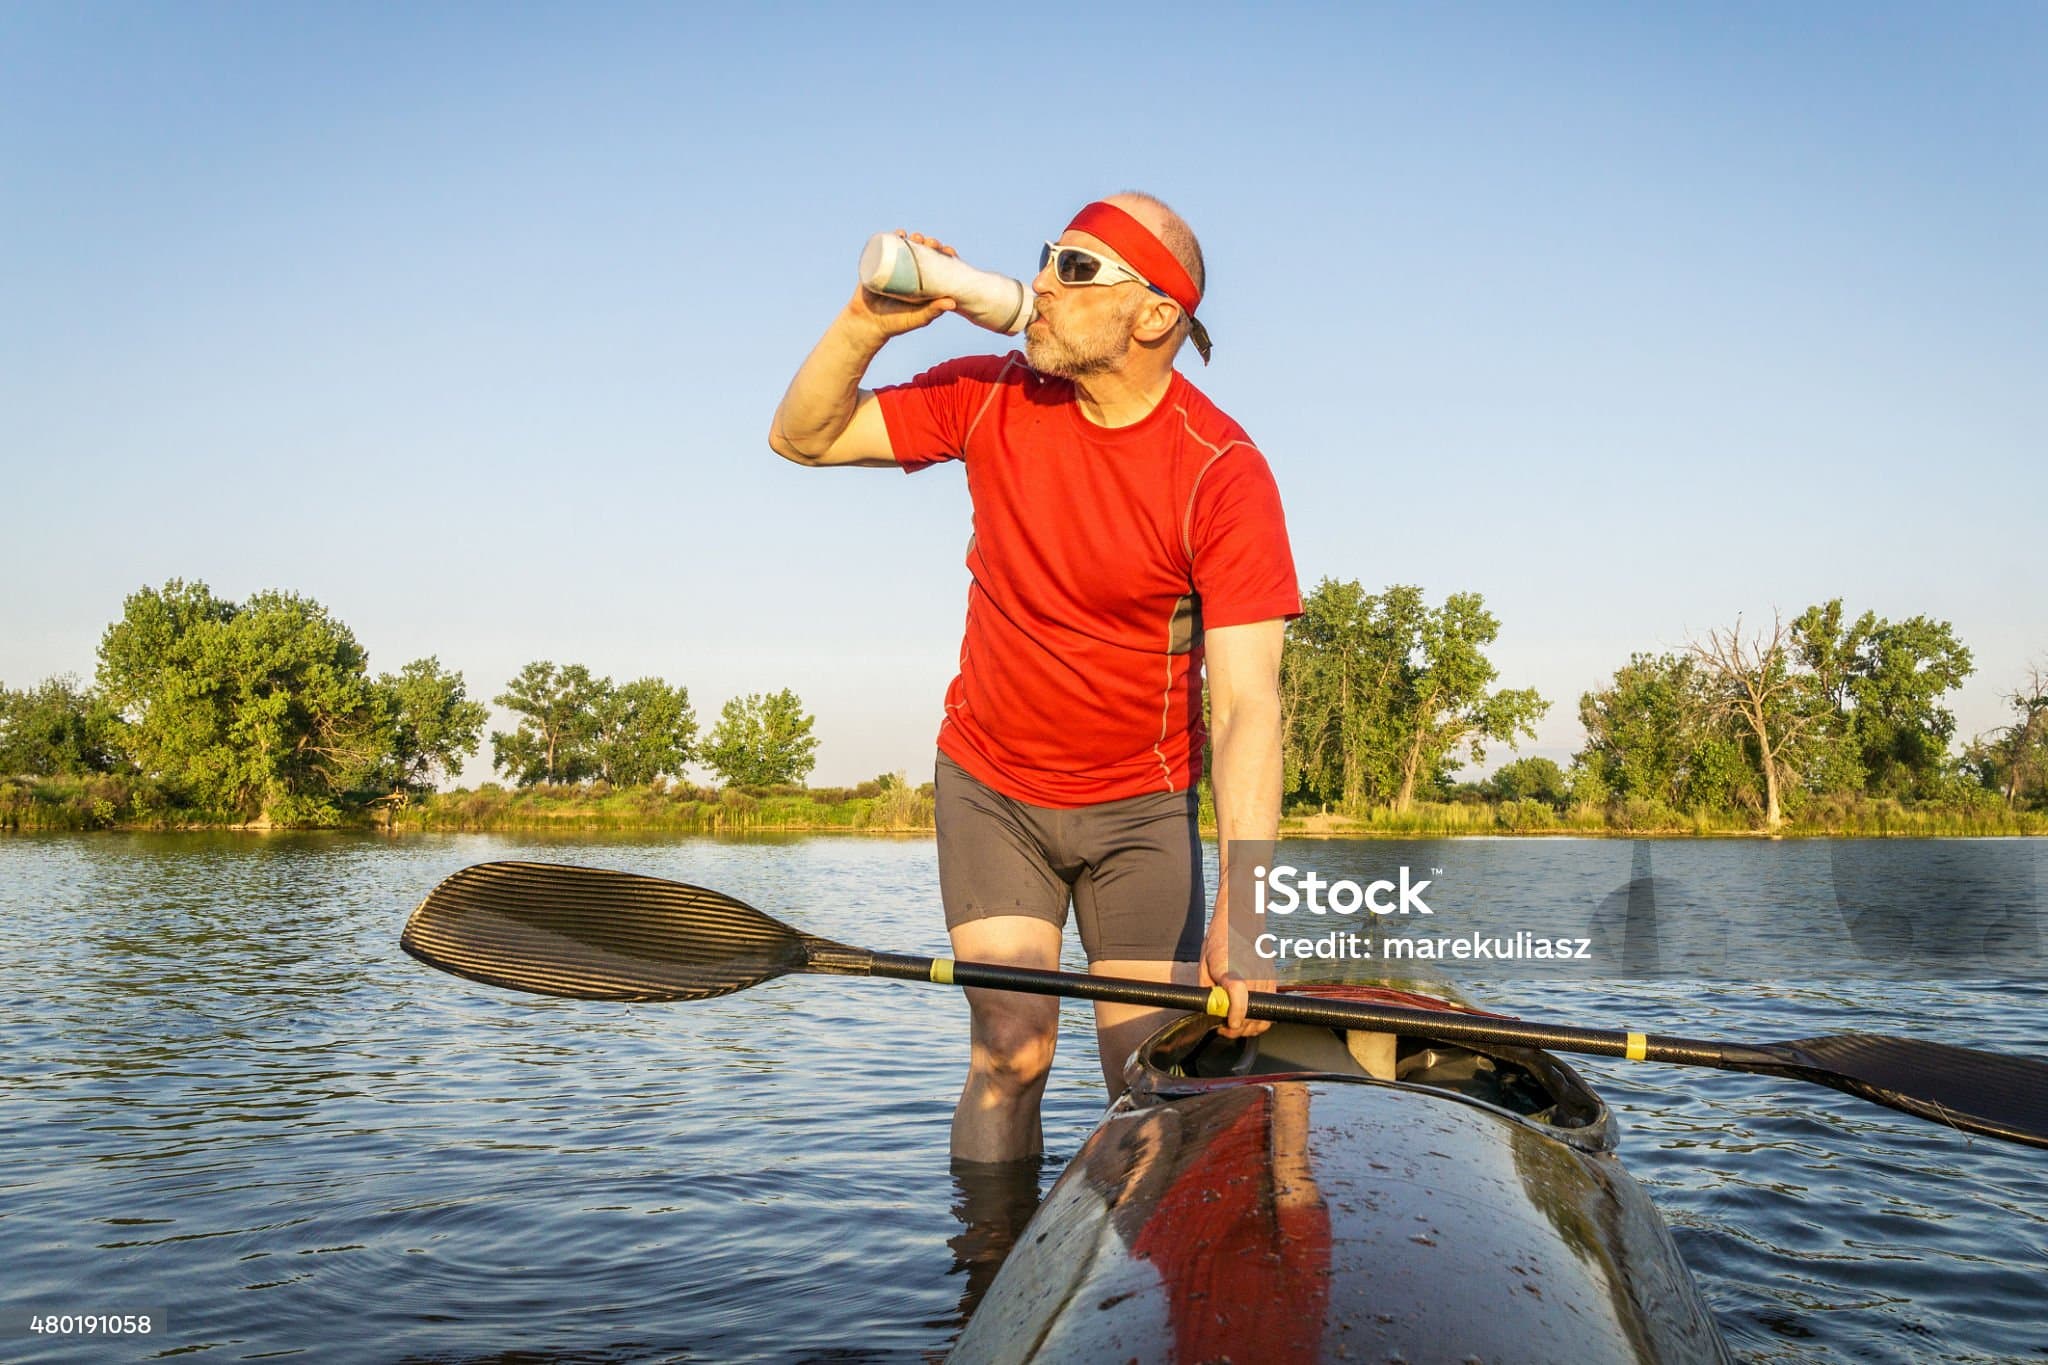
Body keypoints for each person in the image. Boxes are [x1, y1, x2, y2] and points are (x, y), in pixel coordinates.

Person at [768, 193, 1299, 1164]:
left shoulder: (1221, 473)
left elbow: (1247, 710)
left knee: (1145, 1084)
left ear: (1154, 315)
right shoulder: (991, 392)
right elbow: (801, 437)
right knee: (1009, 1052)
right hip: (992, 790)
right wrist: (862, 326)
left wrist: (1247, 912)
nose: (1042, 285)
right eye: (1046, 259)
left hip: (1137, 813)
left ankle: (1130, 1297)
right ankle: (984, 1289)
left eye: (1078, 270)